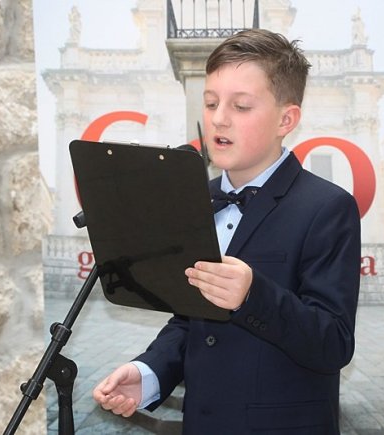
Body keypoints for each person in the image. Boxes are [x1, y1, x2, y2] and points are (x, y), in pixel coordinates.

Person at [93, 28, 361, 434]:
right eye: (211, 102)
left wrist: (253, 295)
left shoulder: (328, 207)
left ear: (286, 119)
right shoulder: (196, 200)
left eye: (241, 105)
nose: (219, 118)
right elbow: (191, 321)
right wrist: (148, 373)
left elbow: (334, 343)